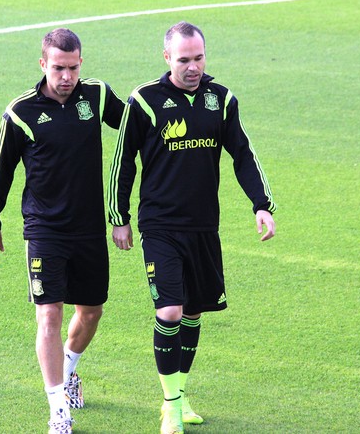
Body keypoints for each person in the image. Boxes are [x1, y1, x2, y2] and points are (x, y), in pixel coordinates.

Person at [107, 21, 276, 434]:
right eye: (184, 59)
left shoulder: (221, 100)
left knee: (194, 313)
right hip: (160, 226)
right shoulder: (144, 101)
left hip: (204, 227)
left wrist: (262, 205)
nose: (193, 67)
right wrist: (119, 217)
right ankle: (169, 407)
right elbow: (122, 162)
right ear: (167, 58)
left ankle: (180, 397)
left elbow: (242, 153)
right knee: (170, 310)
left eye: (199, 58)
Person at [0, 28, 124, 434]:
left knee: (91, 311)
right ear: (43, 64)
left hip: (90, 228)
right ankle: (58, 408)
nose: (66, 76)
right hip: (44, 229)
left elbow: (136, 128)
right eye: (58, 68)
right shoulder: (20, 112)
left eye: (73, 67)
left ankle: (70, 368)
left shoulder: (95, 96)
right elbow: (1, 171)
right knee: (49, 315)